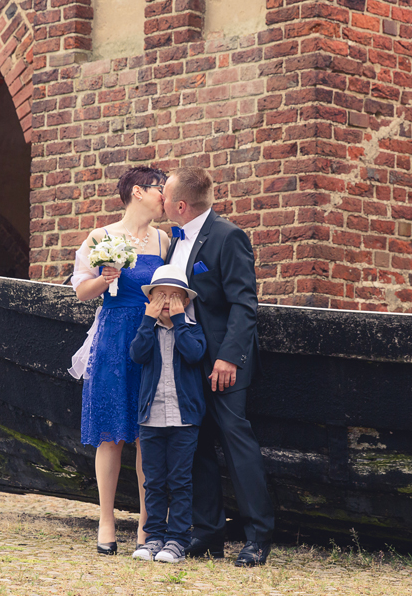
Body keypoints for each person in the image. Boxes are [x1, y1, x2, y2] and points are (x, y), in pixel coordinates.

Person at [162, 166, 275, 567]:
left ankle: (258, 538)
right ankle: (207, 533)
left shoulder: (228, 236)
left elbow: (245, 304)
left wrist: (228, 357)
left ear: (180, 205)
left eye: (165, 196)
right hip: (187, 358)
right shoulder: (173, 242)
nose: (160, 201)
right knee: (197, 447)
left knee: (235, 441)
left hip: (225, 361)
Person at [70, 166, 169, 554]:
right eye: (161, 189)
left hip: (151, 337)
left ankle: (147, 525)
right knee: (111, 432)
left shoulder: (163, 240)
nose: (166, 197)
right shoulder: (100, 236)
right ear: (139, 192)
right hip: (113, 338)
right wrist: (105, 278)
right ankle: (106, 520)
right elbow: (81, 291)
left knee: (148, 432)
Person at [128, 265, 206, 563]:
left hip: (184, 419)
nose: (166, 302)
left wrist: (178, 321)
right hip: (151, 418)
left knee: (180, 480)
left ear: (185, 302)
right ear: (150, 301)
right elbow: (137, 354)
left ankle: (177, 540)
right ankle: (153, 537)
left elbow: (194, 354)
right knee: (154, 481)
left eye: (174, 297)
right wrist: (148, 320)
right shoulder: (147, 327)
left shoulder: (193, 329)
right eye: (160, 296)